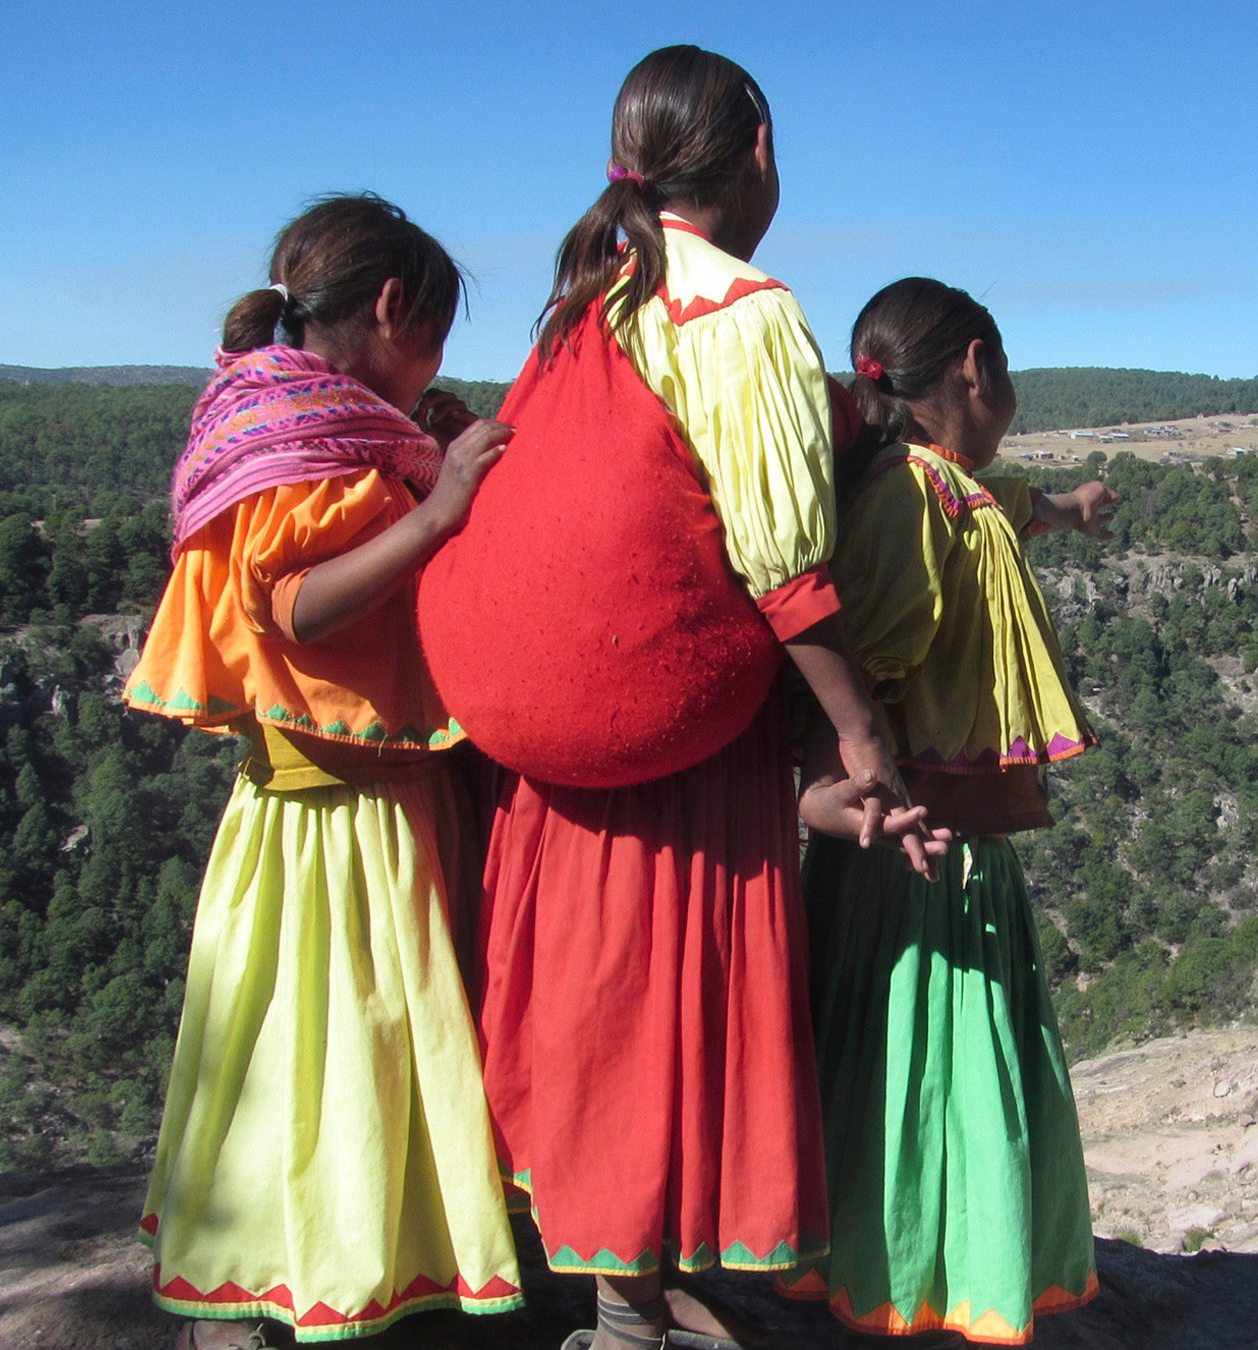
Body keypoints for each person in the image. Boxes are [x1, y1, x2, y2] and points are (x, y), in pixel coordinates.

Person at [463, 46, 937, 1350]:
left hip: (561, 746)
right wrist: (859, 734)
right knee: (657, 1012)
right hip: (676, 738)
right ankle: (630, 1319)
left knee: (594, 1006)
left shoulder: (588, 303)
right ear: (761, 150)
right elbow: (784, 565)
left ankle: (621, 1290)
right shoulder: (742, 309)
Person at [124, 194, 521, 1348]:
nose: (437, 363)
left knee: (301, 1053)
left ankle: (322, 1265)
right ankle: (347, 1276)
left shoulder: (287, 419)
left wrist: (426, 458)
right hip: (346, 821)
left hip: (314, 805)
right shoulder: (305, 447)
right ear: (394, 307)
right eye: (435, 334)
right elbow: (295, 606)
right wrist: (441, 507)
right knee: (356, 1048)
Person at [779, 278, 1117, 1346]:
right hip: (920, 856)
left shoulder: (942, 487)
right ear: (976, 365)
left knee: (910, 1075)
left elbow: (1006, 507)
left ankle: (918, 1281)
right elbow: (845, 668)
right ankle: (927, 1288)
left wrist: (1069, 508)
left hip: (934, 849)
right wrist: (833, 792)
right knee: (933, 1077)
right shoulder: (912, 502)